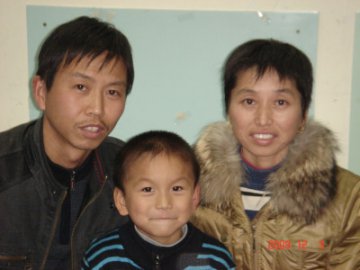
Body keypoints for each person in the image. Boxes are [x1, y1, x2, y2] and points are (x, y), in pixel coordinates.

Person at [191, 39, 360, 269]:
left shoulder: (349, 198)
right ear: (228, 110)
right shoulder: (188, 186)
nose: (263, 119)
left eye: (280, 102)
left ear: (303, 115)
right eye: (249, 101)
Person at [0, 16, 134, 270]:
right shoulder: (5, 172)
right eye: (81, 86)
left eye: (113, 92)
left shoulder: (131, 172)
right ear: (41, 92)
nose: (97, 108)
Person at [81, 130, 236, 269]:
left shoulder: (216, 260)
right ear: (122, 200)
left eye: (176, 189)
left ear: (194, 197)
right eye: (147, 189)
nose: (164, 203)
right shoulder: (103, 257)